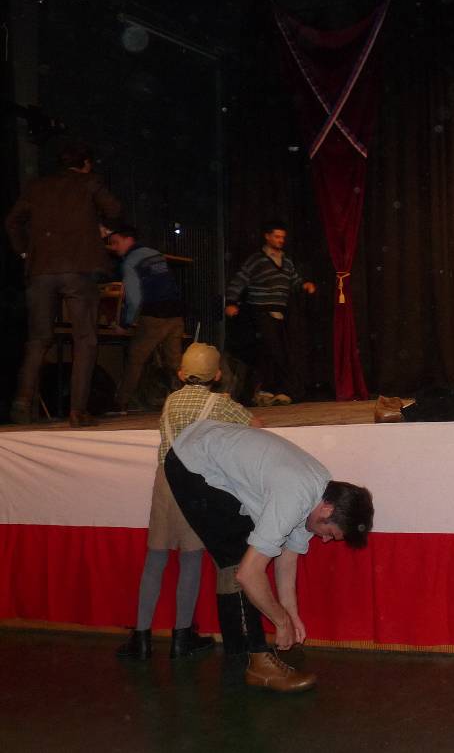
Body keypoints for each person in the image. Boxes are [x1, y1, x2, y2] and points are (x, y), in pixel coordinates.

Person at [166, 420, 373, 692]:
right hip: (189, 462)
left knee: (247, 549)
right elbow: (248, 574)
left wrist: (291, 615)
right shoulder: (295, 494)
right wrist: (280, 621)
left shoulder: (318, 489)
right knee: (239, 558)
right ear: (327, 510)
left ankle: (244, 656)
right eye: (330, 533)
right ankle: (257, 662)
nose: (324, 540)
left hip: (205, 448)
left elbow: (287, 557)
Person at [115, 343, 260, 661]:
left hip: (164, 481)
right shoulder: (220, 404)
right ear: (218, 375)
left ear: (181, 374)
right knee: (191, 560)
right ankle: (182, 638)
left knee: (155, 560)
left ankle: (141, 637)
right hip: (194, 486)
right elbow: (255, 428)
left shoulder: (170, 401)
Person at [5, 138, 123, 428]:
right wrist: (97, 225)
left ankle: (22, 402)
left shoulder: (36, 186)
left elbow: (12, 222)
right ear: (85, 164)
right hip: (78, 268)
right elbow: (115, 211)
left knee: (38, 339)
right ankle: (77, 411)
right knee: (84, 339)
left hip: (40, 270)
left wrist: (25, 252)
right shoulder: (89, 182)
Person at [224, 221, 316, 406]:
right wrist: (231, 302)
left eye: (283, 237)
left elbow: (294, 280)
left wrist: (304, 285)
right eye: (277, 236)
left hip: (279, 314)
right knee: (267, 352)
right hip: (260, 312)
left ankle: (276, 390)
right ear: (267, 237)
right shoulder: (257, 260)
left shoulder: (286, 262)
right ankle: (261, 391)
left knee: (280, 353)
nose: (281, 240)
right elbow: (240, 280)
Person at [105, 224, 186, 414]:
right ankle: (186, 402)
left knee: (135, 359)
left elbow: (134, 297)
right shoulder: (155, 254)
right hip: (176, 313)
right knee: (175, 363)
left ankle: (121, 403)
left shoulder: (130, 261)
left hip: (154, 314)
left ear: (128, 240)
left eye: (116, 242)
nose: (114, 247)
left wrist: (124, 323)